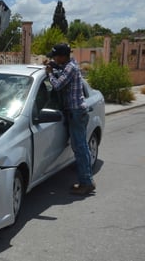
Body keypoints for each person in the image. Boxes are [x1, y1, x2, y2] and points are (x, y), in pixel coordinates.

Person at [45, 43, 95, 195]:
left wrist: (49, 74)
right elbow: (61, 72)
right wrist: (54, 67)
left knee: (80, 148)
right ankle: (87, 180)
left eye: (55, 56)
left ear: (62, 56)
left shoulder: (70, 67)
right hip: (76, 112)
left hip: (76, 112)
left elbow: (58, 85)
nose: (53, 58)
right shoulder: (69, 65)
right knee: (81, 147)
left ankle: (86, 183)